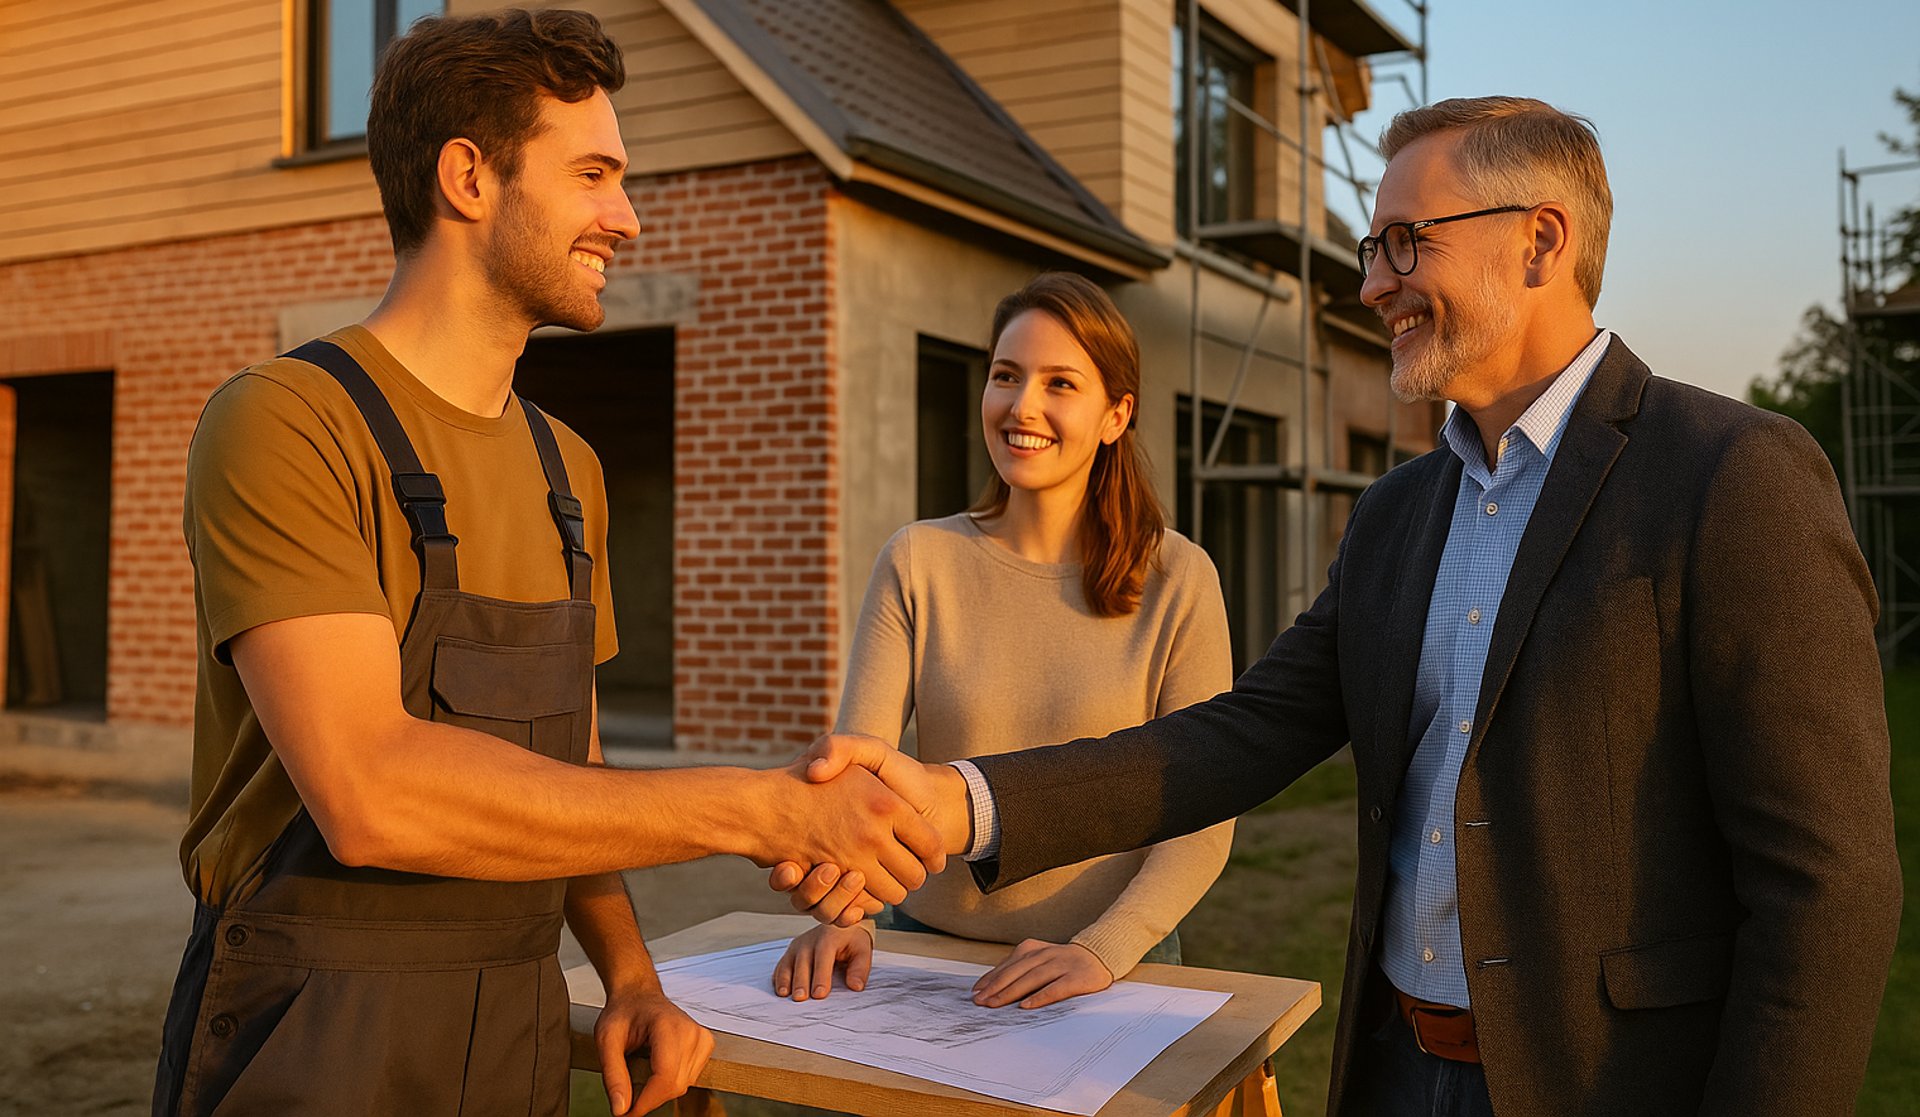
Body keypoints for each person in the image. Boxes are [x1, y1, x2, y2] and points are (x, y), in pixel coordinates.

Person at [780, 97, 1903, 1117]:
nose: (1372, 283)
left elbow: (1828, 886)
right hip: (1393, 1066)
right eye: (1375, 248)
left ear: (1542, 242)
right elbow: (1241, 735)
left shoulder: (1732, 475)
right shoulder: (1397, 514)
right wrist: (961, 801)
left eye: (1407, 242)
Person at [152, 11, 942, 1117]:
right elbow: (369, 792)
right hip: (311, 1026)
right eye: (594, 175)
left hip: (513, 1021)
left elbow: (567, 774)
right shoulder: (284, 423)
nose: (625, 217)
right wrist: (763, 810)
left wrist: (630, 976)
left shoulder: (567, 469)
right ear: (469, 177)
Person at [769, 274, 1234, 1010]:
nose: (1023, 406)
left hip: (1110, 963)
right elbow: (862, 772)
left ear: (1117, 415)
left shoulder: (1181, 578)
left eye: (1060, 383)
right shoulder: (918, 559)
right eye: (1006, 376)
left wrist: (1100, 951)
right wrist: (846, 913)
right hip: (924, 952)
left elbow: (1204, 812)